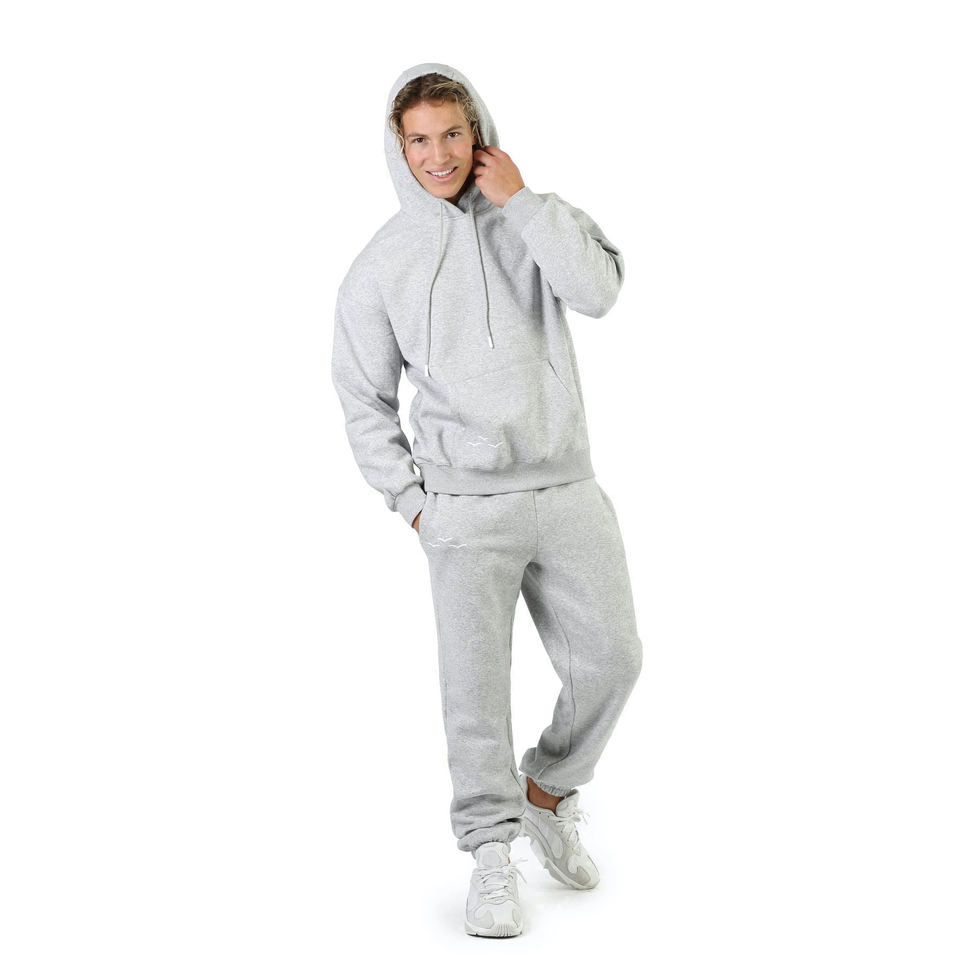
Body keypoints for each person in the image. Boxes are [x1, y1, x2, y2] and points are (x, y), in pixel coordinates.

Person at [331, 62, 643, 938]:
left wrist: (525, 203)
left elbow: (600, 293)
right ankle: (491, 853)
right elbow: (361, 398)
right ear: (398, 147)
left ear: (479, 134)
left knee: (615, 660)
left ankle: (547, 791)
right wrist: (413, 502)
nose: (438, 155)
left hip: (567, 485)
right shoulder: (381, 265)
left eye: (452, 134)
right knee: (475, 695)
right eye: (419, 140)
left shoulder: (533, 217)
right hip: (464, 509)